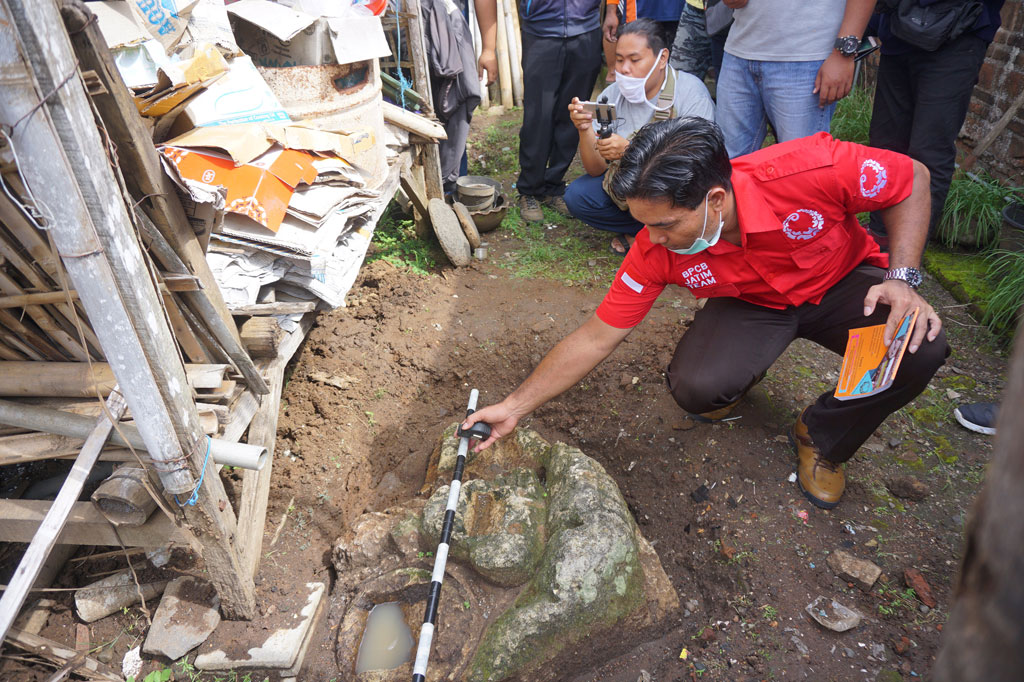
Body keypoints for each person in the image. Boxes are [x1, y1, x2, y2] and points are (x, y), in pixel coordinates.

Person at [463, 117, 949, 510]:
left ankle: (822, 435)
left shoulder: (808, 168)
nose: (652, 239)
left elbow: (912, 180)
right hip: (753, 303)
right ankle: (743, 370)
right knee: (697, 388)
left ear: (715, 199)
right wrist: (514, 407)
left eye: (666, 225)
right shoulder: (653, 248)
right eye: (643, 224)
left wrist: (902, 279)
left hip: (844, 283)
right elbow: (596, 336)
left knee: (920, 347)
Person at [564, 18, 715, 254]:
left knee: (695, 198)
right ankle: (655, 232)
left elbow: (701, 165)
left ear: (662, 58)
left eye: (634, 60)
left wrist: (630, 151)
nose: (625, 69)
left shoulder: (690, 92)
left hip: (676, 192)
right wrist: (584, 130)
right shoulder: (611, 95)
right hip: (632, 192)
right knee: (578, 196)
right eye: (619, 59)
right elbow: (596, 170)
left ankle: (660, 233)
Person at [867, 0, 1005, 242]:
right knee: (885, 146)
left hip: (958, 36)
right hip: (899, 31)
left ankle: (906, 256)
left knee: (929, 152)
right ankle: (878, 240)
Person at [715, 0, 875, 158]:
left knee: (799, 164)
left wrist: (843, 53)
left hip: (807, 56)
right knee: (725, 162)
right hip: (740, 46)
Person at [516, 0, 604, 222]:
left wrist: (612, 10)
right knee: (538, 116)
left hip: (586, 27)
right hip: (541, 30)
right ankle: (530, 189)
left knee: (574, 113)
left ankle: (554, 186)